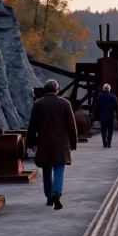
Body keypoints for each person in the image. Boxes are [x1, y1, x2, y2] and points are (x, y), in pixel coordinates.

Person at [26, 78, 78, 209]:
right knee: (59, 168)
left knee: (47, 170)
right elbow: (72, 127)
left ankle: (49, 196)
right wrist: (73, 143)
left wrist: (30, 143)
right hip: (61, 144)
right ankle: (56, 193)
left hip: (44, 143)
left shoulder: (38, 104)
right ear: (57, 90)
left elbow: (32, 127)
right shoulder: (65, 104)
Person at [92, 83, 118, 148]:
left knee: (103, 130)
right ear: (109, 89)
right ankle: (109, 144)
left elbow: (96, 106)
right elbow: (117, 106)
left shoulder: (100, 96)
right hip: (110, 117)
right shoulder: (113, 96)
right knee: (110, 130)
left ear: (103, 89)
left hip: (102, 117)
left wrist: (94, 115)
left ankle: (104, 143)